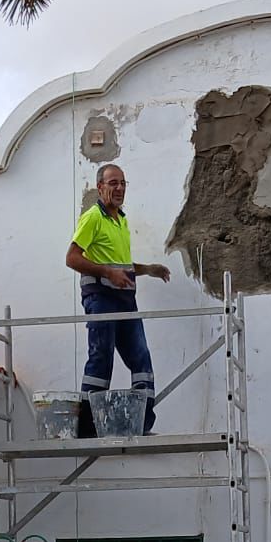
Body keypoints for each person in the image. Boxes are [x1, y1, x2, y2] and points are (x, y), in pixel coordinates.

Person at [65, 164, 173, 434]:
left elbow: (119, 265)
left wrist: (148, 269)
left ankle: (143, 422)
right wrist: (106, 273)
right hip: (101, 298)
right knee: (101, 358)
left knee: (141, 361)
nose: (119, 188)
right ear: (100, 187)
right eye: (113, 183)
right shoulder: (94, 217)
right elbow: (72, 258)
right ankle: (88, 427)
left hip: (125, 301)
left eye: (123, 183)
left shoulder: (120, 220)